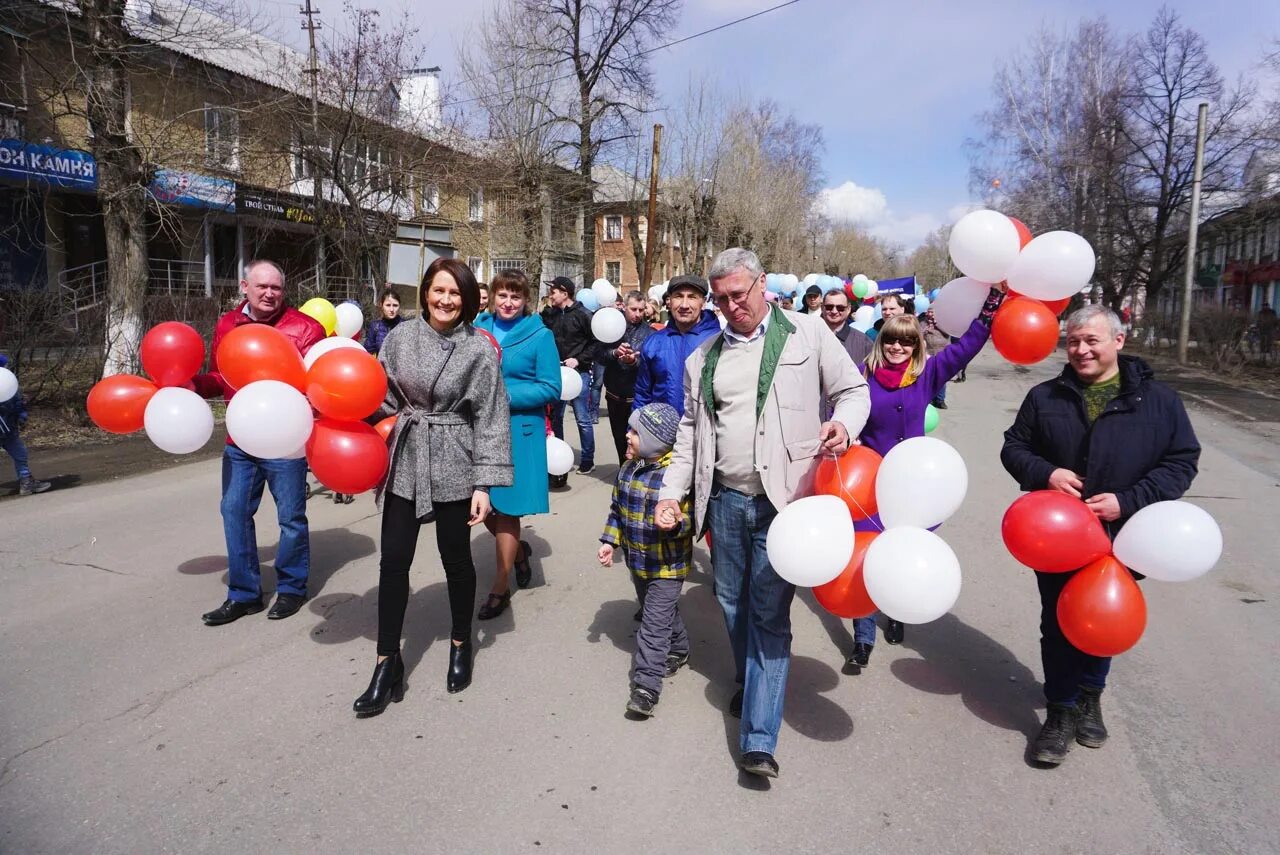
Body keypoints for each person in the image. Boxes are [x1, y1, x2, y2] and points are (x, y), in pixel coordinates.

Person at [657, 248, 870, 779]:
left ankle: (758, 738)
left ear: (763, 285)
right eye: (722, 299)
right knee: (731, 603)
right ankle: (753, 683)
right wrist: (669, 492)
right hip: (725, 500)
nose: (733, 306)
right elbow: (688, 434)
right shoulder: (701, 358)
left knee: (769, 615)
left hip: (787, 503)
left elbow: (853, 391)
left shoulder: (808, 333)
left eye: (740, 294)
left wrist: (844, 426)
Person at [1001, 305, 1200, 766]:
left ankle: (1091, 696)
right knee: (1057, 621)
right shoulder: (1045, 396)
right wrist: (1046, 473)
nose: (1081, 349)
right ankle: (1061, 710)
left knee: (1103, 619)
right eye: (1072, 341)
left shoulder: (1159, 401)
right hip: (1057, 538)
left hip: (1127, 535)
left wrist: (1129, 500)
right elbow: (1014, 447)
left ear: (1119, 341)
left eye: (1091, 340)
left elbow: (1181, 460)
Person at [353, 257, 512, 717]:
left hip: (455, 458)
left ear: (466, 301)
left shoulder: (478, 348)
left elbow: (490, 416)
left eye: (456, 293)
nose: (446, 300)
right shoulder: (400, 337)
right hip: (405, 453)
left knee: (456, 558)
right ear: (425, 292)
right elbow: (380, 396)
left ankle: (461, 642)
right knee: (394, 561)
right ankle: (387, 662)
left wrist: (485, 483)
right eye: (439, 291)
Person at [845, 287, 1005, 670]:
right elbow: (846, 411)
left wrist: (990, 309)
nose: (899, 347)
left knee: (906, 548)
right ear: (881, 341)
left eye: (907, 341)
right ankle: (863, 638)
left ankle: (897, 607)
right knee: (866, 554)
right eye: (892, 340)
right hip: (871, 481)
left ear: (916, 345)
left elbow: (967, 346)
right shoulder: (862, 375)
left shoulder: (927, 373)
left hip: (915, 485)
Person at [191, 259, 327, 626]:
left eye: (276, 288)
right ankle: (244, 594)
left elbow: (321, 383)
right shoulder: (227, 324)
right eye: (262, 286)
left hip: (286, 442)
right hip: (242, 440)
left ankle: (292, 588)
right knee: (233, 511)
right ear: (244, 287)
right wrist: (193, 386)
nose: (269, 293)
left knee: (291, 519)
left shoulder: (305, 328)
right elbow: (221, 376)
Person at [472, 270, 562, 619]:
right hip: (477, 429)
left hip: (518, 429)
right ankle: (520, 553)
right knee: (479, 505)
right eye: (502, 295)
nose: (508, 303)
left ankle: (500, 584)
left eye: (516, 296)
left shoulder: (540, 335)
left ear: (526, 301)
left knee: (507, 506)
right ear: (492, 296)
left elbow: (550, 387)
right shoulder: (476, 329)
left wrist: (502, 395)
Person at [598, 402, 693, 717]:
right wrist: (610, 541)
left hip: (668, 567)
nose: (628, 436)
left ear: (655, 440)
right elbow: (617, 510)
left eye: (636, 432)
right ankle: (679, 648)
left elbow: (692, 520)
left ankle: (645, 688)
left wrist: (676, 522)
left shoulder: (675, 479)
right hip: (638, 564)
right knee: (662, 615)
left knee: (652, 626)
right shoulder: (628, 468)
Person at [632, 275, 720, 416]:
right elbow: (643, 394)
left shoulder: (718, 341)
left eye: (692, 297)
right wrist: (635, 429)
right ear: (669, 301)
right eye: (678, 296)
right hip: (662, 431)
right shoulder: (654, 342)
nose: (684, 305)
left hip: (704, 432)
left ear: (703, 302)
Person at [541, 276, 596, 477]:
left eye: (553, 291)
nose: (550, 294)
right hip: (556, 374)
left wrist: (579, 360)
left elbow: (596, 343)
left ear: (565, 294)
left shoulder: (583, 315)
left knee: (582, 418)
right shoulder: (549, 315)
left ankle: (588, 460)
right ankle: (559, 461)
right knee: (556, 418)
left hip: (578, 373)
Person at [601, 291, 657, 464]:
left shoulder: (650, 333)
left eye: (641, 310)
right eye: (634, 309)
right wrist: (614, 352)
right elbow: (597, 354)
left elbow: (652, 365)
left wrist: (634, 362)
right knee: (619, 439)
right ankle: (623, 472)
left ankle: (638, 474)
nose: (638, 314)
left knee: (639, 441)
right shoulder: (611, 327)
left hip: (637, 398)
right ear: (624, 307)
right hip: (614, 395)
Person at [0, 355, 52, 496]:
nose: (5, 368)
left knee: (20, 454)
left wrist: (22, 416)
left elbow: (17, 401)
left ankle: (26, 482)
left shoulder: (7, 382)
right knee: (20, 453)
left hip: (9, 429)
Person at [819, 289, 873, 367]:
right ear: (822, 308)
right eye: (829, 307)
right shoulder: (810, 338)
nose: (834, 311)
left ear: (848, 309)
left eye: (840, 307)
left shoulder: (864, 343)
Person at [920, 307, 953, 410]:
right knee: (928, 376)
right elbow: (917, 334)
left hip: (941, 352)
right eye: (929, 311)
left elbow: (948, 333)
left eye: (932, 312)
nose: (930, 314)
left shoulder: (943, 322)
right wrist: (925, 330)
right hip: (927, 352)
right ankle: (929, 399)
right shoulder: (922, 323)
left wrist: (937, 325)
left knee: (941, 376)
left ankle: (940, 400)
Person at [364, 287, 404, 356]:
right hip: (380, 366)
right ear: (381, 305)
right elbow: (367, 354)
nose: (391, 309)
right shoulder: (375, 327)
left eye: (395, 305)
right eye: (388, 305)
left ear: (399, 306)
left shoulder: (406, 326)